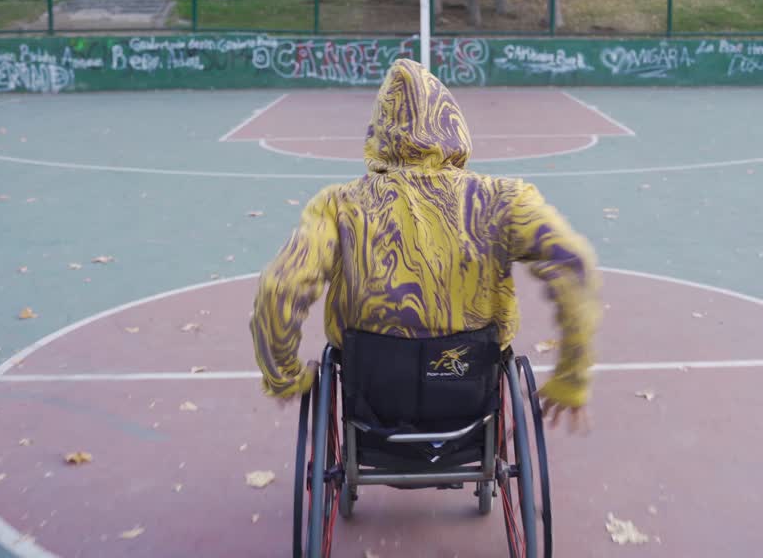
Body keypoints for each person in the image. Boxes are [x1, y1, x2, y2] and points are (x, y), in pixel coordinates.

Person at [250, 59, 600, 431]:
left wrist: (284, 375)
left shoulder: (339, 205)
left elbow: (281, 285)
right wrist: (572, 375)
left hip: (372, 390)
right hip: (469, 381)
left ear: (378, 130)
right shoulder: (503, 199)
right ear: (453, 123)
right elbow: (573, 263)